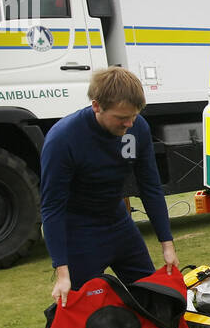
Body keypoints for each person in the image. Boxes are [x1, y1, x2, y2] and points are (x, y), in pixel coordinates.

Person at [41, 67, 178, 306]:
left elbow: (150, 187)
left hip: (118, 224)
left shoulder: (138, 128)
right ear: (97, 106)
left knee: (152, 297)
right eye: (121, 118)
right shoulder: (63, 139)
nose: (129, 123)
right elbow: (52, 207)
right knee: (78, 309)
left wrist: (167, 244)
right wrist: (62, 272)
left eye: (133, 116)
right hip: (80, 231)